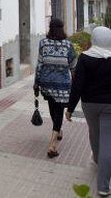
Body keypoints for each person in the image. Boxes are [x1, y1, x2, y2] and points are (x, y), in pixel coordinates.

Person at [66, 26, 111, 197]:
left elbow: (77, 85)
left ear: (94, 39)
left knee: (94, 132)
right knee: (108, 141)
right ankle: (104, 187)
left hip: (90, 104)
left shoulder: (85, 58)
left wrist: (70, 108)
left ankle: (99, 162)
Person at [34, 18, 77, 158]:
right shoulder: (68, 45)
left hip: (46, 83)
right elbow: (73, 67)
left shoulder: (43, 43)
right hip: (63, 85)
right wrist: (76, 84)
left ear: (50, 28)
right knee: (58, 112)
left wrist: (36, 82)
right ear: (62, 28)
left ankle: (57, 132)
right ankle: (52, 146)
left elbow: (39, 64)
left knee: (54, 109)